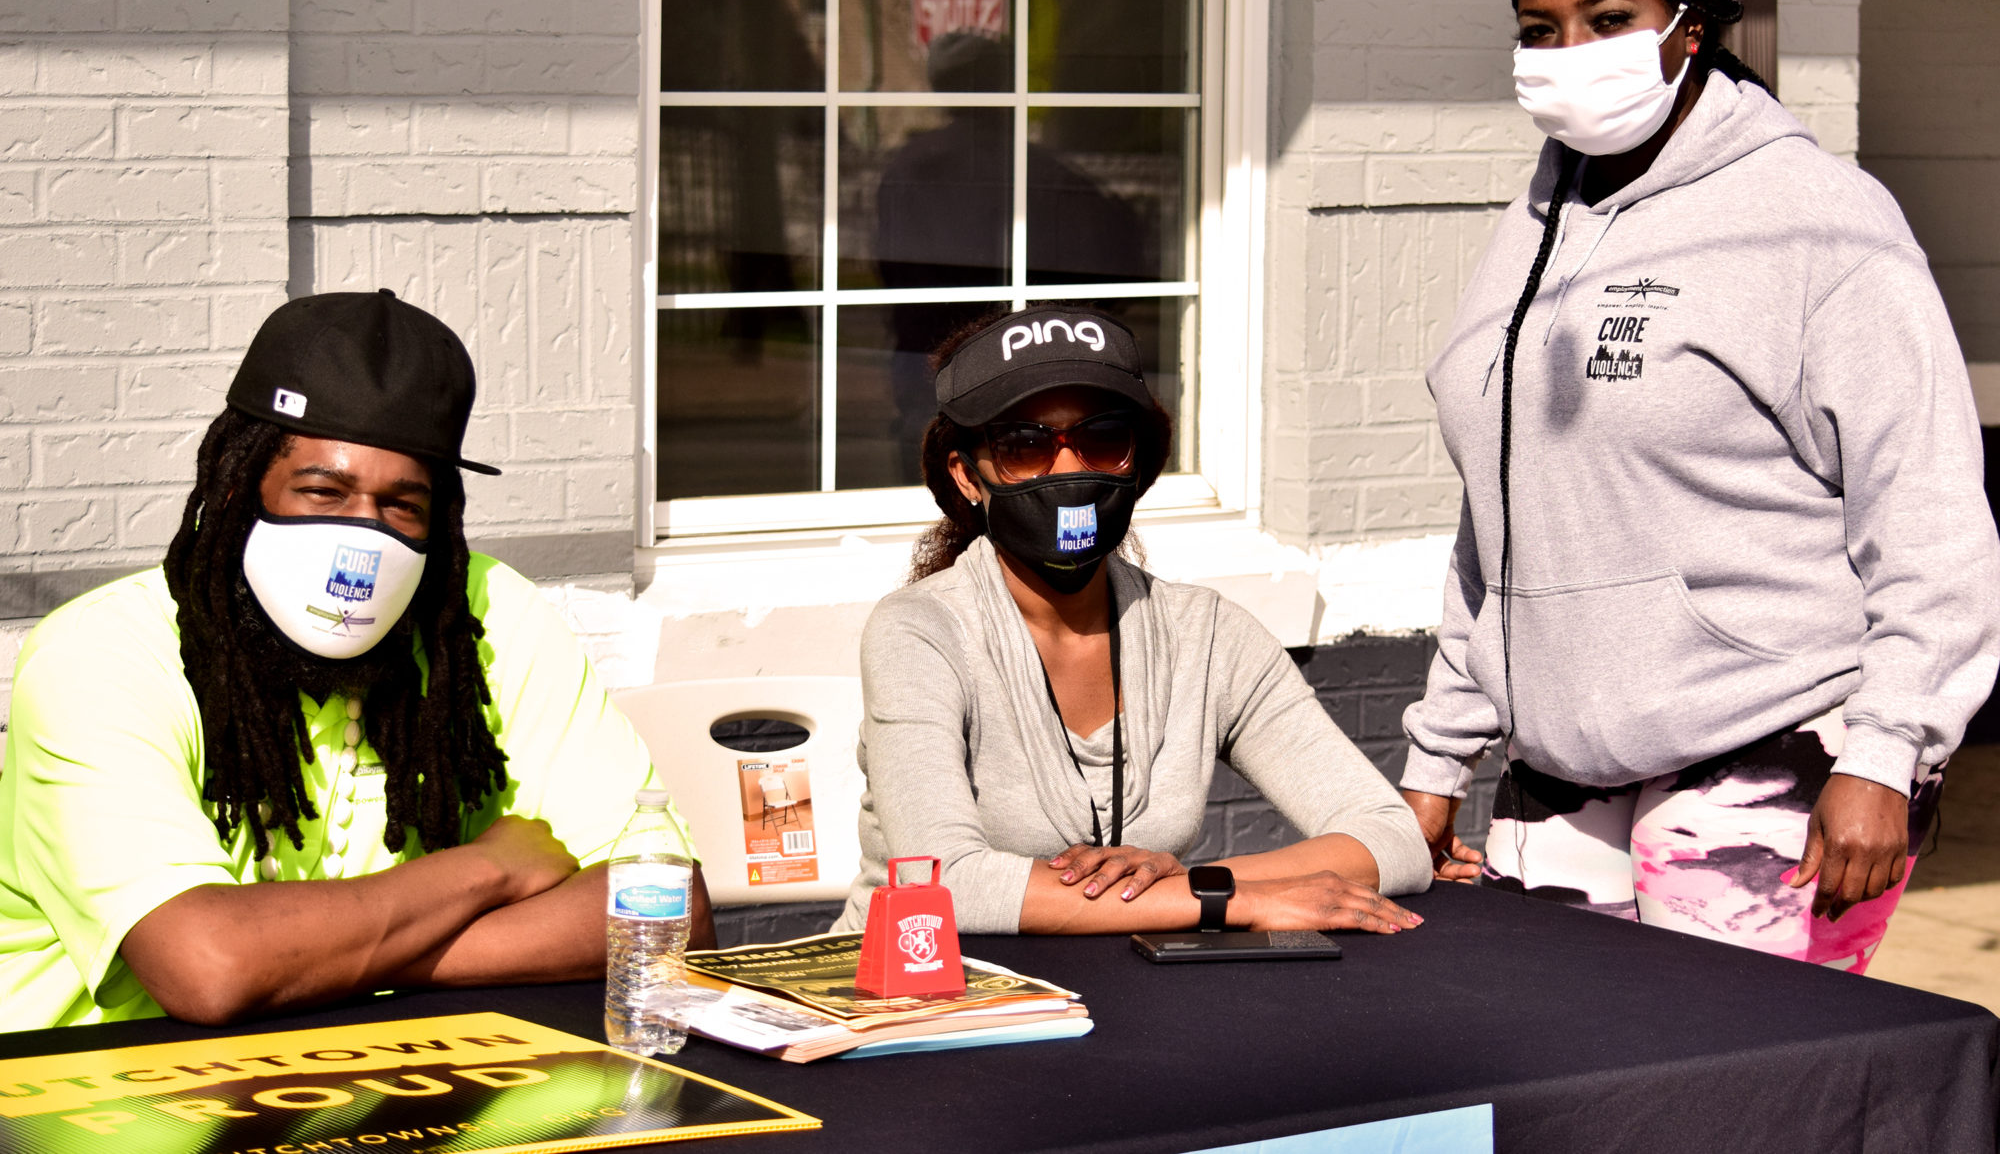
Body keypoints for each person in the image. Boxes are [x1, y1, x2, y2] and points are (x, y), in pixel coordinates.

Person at [1399, 0, 2000, 972]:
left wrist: (1887, 747)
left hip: (1773, 758)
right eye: (1539, 31)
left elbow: (1924, 505)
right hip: (1563, 764)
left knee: (1752, 1101)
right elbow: (1497, 517)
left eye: (1606, 20)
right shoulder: (1530, 225)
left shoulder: (1817, 218)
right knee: (1568, 1092)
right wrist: (1437, 759)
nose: (1568, 51)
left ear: (1689, 23)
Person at [0, 290, 711, 1031]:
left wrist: (314, 963)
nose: (362, 539)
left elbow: (668, 903)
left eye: (401, 505)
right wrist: (487, 870)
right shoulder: (100, 657)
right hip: (89, 1098)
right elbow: (207, 966)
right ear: (239, 485)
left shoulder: (486, 614)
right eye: (323, 491)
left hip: (388, 1082)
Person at [834, 306, 1430, 936]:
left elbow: (1392, 838)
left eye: (1102, 439)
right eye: (1024, 446)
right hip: (917, 993)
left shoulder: (1207, 635)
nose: (1069, 470)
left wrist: (1199, 882)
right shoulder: (922, 632)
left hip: (1124, 990)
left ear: (1138, 463)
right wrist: (1236, 902)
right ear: (967, 474)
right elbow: (945, 881)